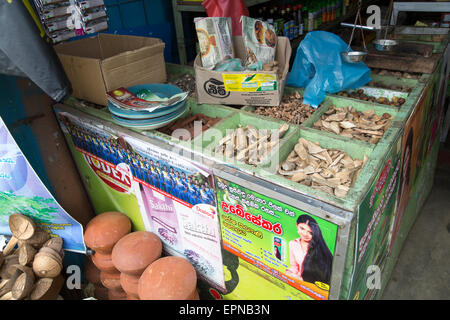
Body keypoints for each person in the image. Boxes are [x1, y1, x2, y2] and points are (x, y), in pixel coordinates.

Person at [285, 215, 333, 285]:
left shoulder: (318, 249)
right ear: (296, 225)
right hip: (298, 282)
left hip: (314, 286)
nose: (305, 234)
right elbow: (294, 266)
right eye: (302, 228)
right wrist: (289, 273)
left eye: (310, 232)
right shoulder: (293, 243)